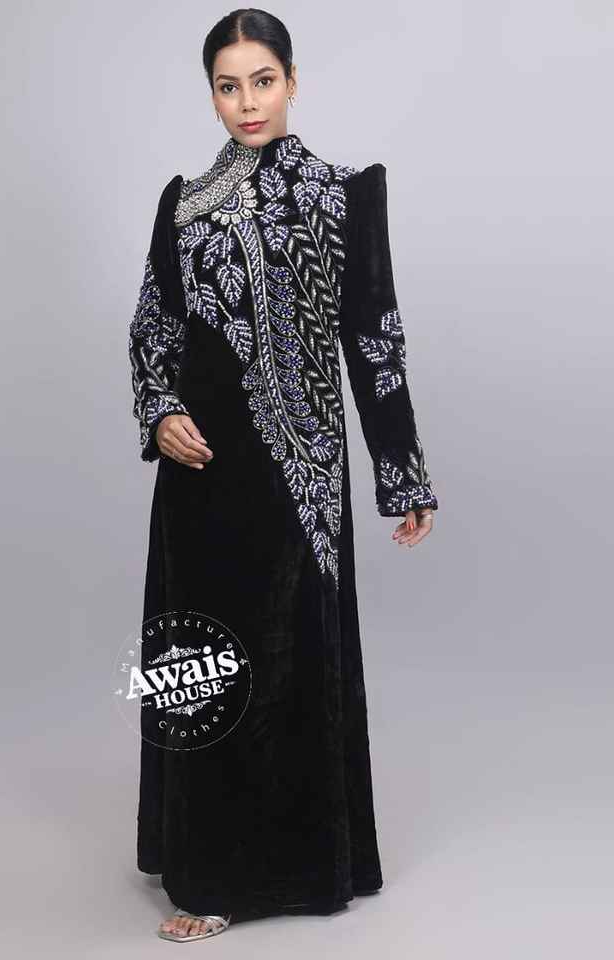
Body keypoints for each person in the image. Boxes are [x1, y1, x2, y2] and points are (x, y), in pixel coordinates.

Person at [128, 8, 439, 943]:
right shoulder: (182, 203)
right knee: (200, 664)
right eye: (228, 86)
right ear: (212, 95)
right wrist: (160, 411)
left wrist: (402, 474)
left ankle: (293, 868)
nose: (248, 102)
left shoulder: (343, 196)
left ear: (293, 82)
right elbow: (153, 326)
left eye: (263, 80)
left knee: (289, 661)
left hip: (298, 476)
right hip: (199, 477)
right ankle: (204, 868)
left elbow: (374, 340)